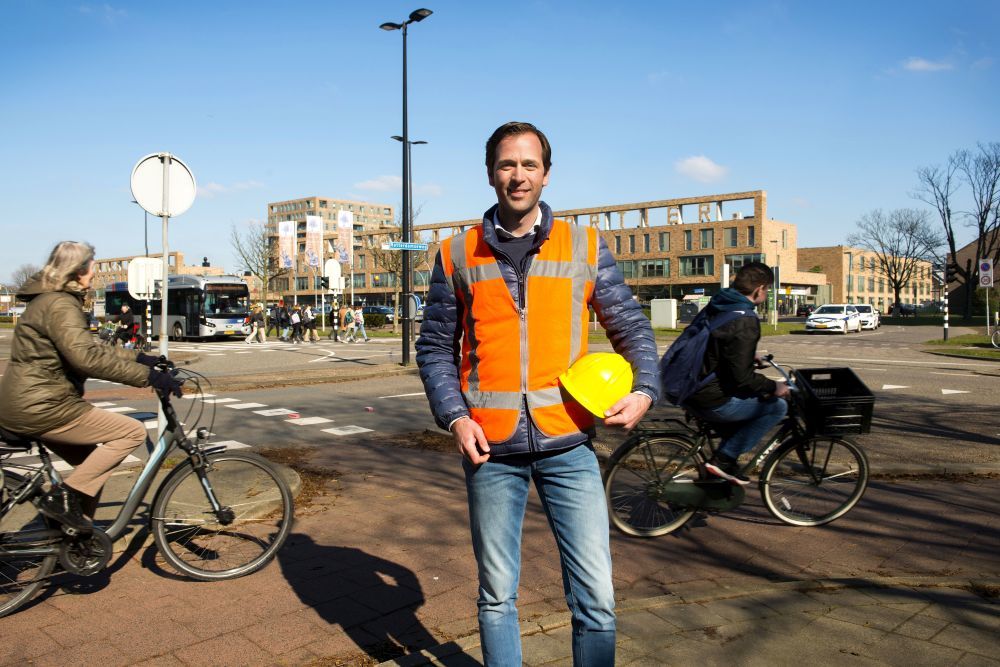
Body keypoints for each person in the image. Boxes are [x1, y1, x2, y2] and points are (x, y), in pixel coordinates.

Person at [416, 122, 659, 666]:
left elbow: (632, 329)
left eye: (528, 165)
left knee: (596, 598)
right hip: (490, 449)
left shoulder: (585, 246)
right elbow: (433, 347)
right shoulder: (456, 253)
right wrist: (456, 417)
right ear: (490, 174)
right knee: (497, 597)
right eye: (507, 165)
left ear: (546, 174)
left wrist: (645, 389)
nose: (517, 175)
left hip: (568, 444)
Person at [0, 241, 183, 533]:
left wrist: (141, 359)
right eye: (92, 266)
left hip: (29, 401)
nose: (94, 273)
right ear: (78, 270)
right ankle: (63, 504)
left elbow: (89, 348)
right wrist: (148, 378)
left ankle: (73, 538)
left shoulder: (50, 299)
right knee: (132, 431)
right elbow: (86, 358)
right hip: (42, 405)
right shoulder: (59, 304)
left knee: (92, 469)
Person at [683, 262, 791, 485]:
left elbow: (716, 345)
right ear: (759, 289)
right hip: (710, 397)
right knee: (777, 407)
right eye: (767, 290)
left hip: (688, 386)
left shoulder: (720, 304)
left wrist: (745, 356)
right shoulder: (745, 320)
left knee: (745, 413)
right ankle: (723, 460)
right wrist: (774, 388)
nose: (766, 294)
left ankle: (716, 480)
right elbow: (742, 379)